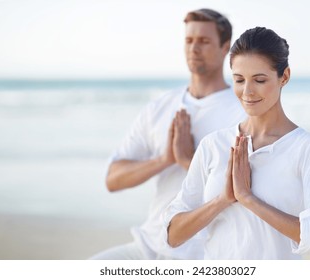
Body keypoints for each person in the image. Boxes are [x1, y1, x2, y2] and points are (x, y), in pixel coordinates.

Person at [164, 27, 310, 259]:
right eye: (239, 80)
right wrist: (222, 200)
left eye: (259, 80)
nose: (247, 91)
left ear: (284, 77)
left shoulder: (309, 150)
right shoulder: (213, 146)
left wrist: (249, 199)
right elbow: (173, 235)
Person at [90, 8, 246, 260]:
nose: (194, 48)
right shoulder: (160, 107)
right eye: (189, 40)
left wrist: (188, 160)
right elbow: (113, 179)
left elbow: (241, 190)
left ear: (225, 47)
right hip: (148, 245)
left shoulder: (241, 111)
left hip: (203, 255)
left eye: (204, 41)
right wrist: (164, 159)